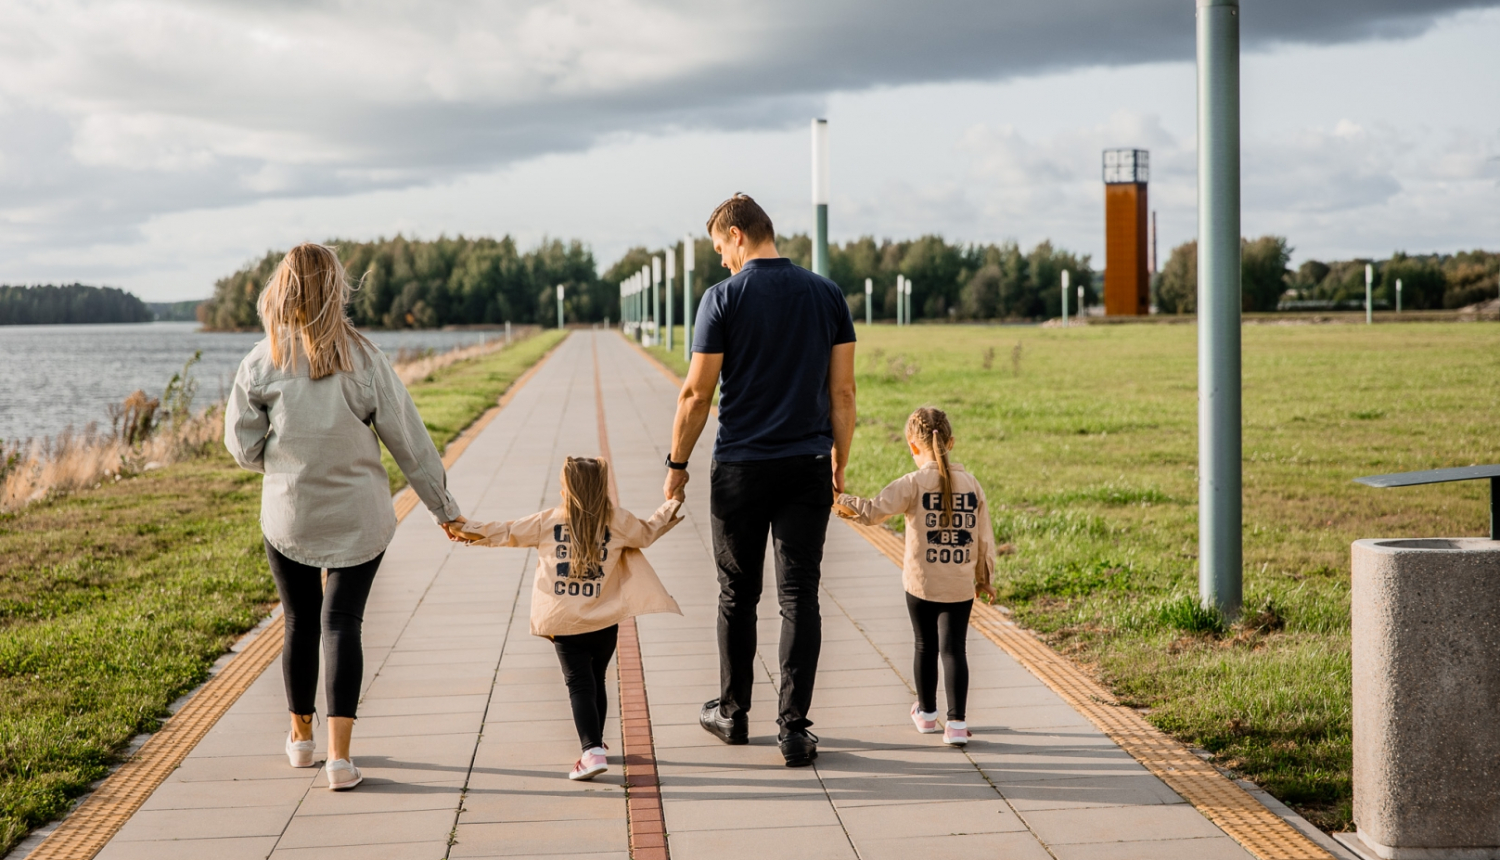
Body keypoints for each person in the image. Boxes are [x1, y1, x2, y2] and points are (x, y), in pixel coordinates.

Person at [225, 243, 468, 791]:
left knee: (298, 621)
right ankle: (339, 758)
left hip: (290, 515)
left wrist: (281, 461)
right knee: (342, 624)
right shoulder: (365, 358)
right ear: (336, 290)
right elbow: (409, 441)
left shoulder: (261, 360)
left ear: (281, 291)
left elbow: (241, 445)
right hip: (360, 518)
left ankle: (300, 741)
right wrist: (444, 509)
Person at [664, 193, 857, 767]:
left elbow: (696, 394)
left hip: (740, 470)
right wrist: (839, 461)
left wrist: (676, 466)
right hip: (806, 466)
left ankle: (733, 713)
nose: (720, 259)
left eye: (720, 247)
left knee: (737, 594)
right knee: (800, 595)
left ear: (738, 235)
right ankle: (794, 730)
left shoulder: (722, 298)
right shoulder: (827, 294)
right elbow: (843, 392)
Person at [455, 457, 683, 780]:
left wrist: (465, 528)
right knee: (596, 678)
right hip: (605, 619)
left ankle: (591, 751)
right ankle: (596, 743)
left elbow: (505, 532)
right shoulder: (618, 520)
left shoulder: (548, 521)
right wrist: (672, 502)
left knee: (579, 683)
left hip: (565, 622)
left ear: (566, 490)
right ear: (601, 488)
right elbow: (648, 532)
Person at [833, 407, 998, 746]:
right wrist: (984, 578)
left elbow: (872, 511)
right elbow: (984, 538)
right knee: (954, 649)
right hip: (959, 585)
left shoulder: (912, 484)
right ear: (951, 442)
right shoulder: (972, 485)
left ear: (912, 445)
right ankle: (956, 725)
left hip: (920, 584)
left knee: (924, 645)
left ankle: (926, 715)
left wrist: (837, 500)